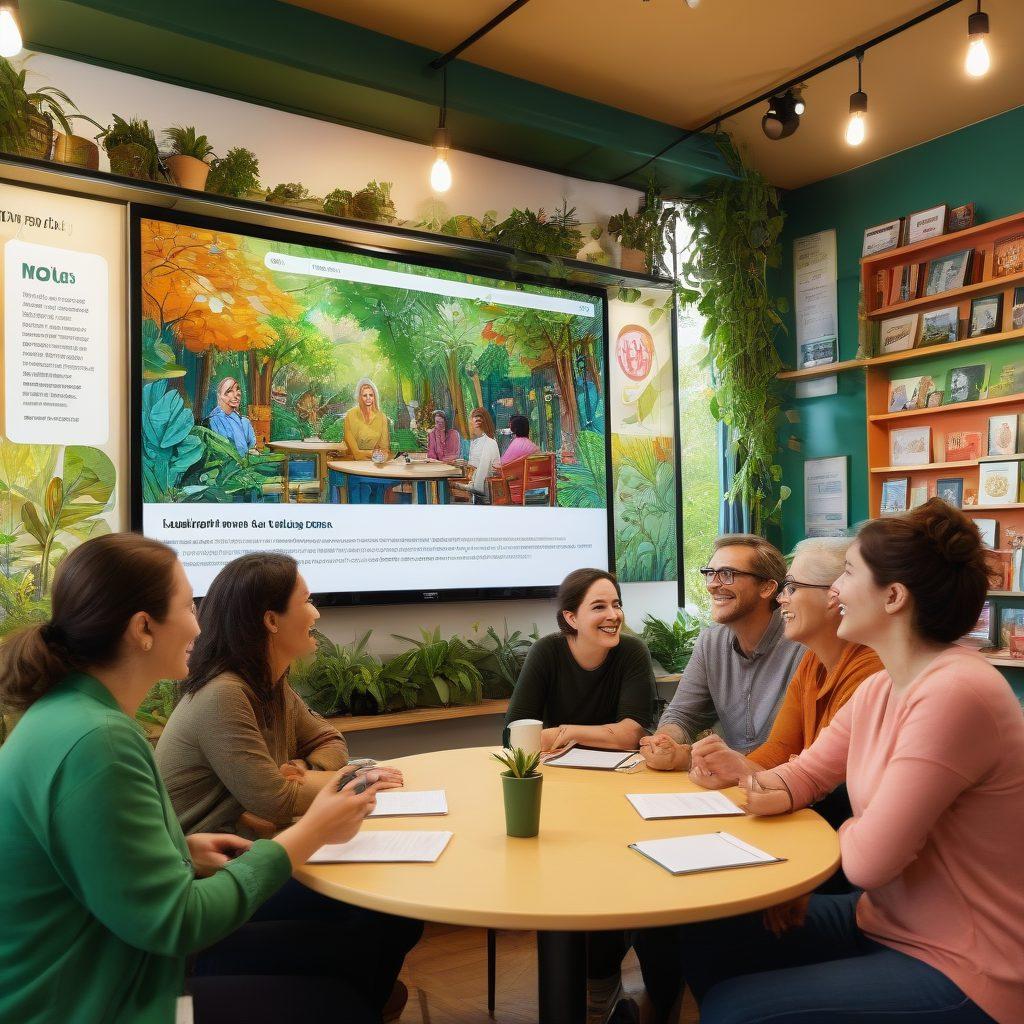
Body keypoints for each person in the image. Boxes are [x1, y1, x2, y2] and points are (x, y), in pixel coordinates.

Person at [0, 533, 392, 1024]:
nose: (198, 624)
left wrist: (180, 850)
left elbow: (86, 862)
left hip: (113, 971)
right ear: (143, 628)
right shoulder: (98, 742)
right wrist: (311, 833)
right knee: (339, 1000)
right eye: (188, 606)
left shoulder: (71, 716)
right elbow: (178, 922)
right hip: (97, 1002)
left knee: (354, 952)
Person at [663, 499, 1024, 1024]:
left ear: (895, 597)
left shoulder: (956, 693)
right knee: (708, 926)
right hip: (884, 921)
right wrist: (764, 783)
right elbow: (804, 773)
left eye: (849, 573)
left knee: (734, 1012)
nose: (834, 591)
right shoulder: (883, 686)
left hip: (965, 963)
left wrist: (827, 820)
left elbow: (867, 862)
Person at [156, 552, 422, 1019]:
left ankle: (369, 1004)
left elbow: (329, 738)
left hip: (252, 856)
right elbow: (274, 800)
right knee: (374, 919)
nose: (317, 613)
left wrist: (302, 766)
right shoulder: (224, 693)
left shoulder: (269, 684)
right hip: (209, 884)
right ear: (271, 620)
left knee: (396, 911)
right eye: (309, 600)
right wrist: (339, 781)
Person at [634, 537, 882, 1022]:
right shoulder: (812, 660)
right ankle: (660, 1005)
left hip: (828, 841)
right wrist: (715, 762)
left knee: (705, 920)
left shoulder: (864, 669)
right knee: (674, 906)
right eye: (710, 573)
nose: (787, 597)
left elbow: (818, 780)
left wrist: (740, 771)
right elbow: (787, 757)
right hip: (798, 818)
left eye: (793, 586)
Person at [503, 567, 657, 1022]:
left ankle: (603, 978)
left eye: (616, 604)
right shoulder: (548, 653)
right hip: (557, 794)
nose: (613, 616)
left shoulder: (631, 652)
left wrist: (565, 731)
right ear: (570, 617)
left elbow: (632, 733)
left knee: (614, 875)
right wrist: (595, 734)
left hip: (620, 795)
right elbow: (515, 734)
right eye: (599, 607)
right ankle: (592, 980)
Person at [688, 536, 882, 798]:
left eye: (791, 587)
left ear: (834, 595)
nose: (781, 599)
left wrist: (746, 774)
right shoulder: (813, 661)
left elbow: (827, 781)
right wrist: (733, 768)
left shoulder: (870, 670)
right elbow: (780, 749)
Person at [640, 534, 804, 773]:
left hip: (786, 787)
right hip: (729, 785)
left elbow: (792, 748)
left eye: (727, 574)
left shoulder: (803, 645)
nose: (713, 584)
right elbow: (683, 713)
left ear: (768, 587)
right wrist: (665, 740)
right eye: (710, 573)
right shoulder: (711, 642)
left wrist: (692, 758)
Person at [343, 377, 398, 503]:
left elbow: (384, 449)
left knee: (380, 484)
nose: (368, 398)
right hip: (351, 465)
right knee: (358, 484)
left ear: (375, 397)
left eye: (371, 395)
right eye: (365, 395)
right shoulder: (350, 416)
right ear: (359, 397)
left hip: (372, 464)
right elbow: (356, 454)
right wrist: (374, 454)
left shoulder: (382, 417)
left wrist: (381, 455)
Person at [452, 407, 501, 503]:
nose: (469, 426)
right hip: (477, 493)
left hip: (485, 496)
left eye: (471, 423)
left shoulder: (489, 443)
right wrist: (466, 464)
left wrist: (458, 485)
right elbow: (475, 468)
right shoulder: (476, 441)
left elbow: (479, 486)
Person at [208, 376, 258, 457]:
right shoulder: (213, 420)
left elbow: (252, 448)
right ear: (219, 395)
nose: (236, 394)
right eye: (230, 391)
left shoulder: (245, 422)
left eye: (237, 389)